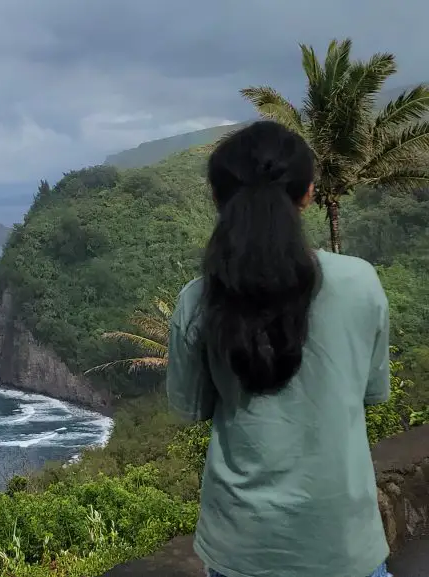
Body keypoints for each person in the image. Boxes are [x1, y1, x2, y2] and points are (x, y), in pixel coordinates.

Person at [166, 120, 392, 577]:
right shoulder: (360, 282)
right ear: (308, 193)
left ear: (218, 199)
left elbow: (191, 407)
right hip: (343, 541)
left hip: (240, 546)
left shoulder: (198, 300)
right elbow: (370, 392)